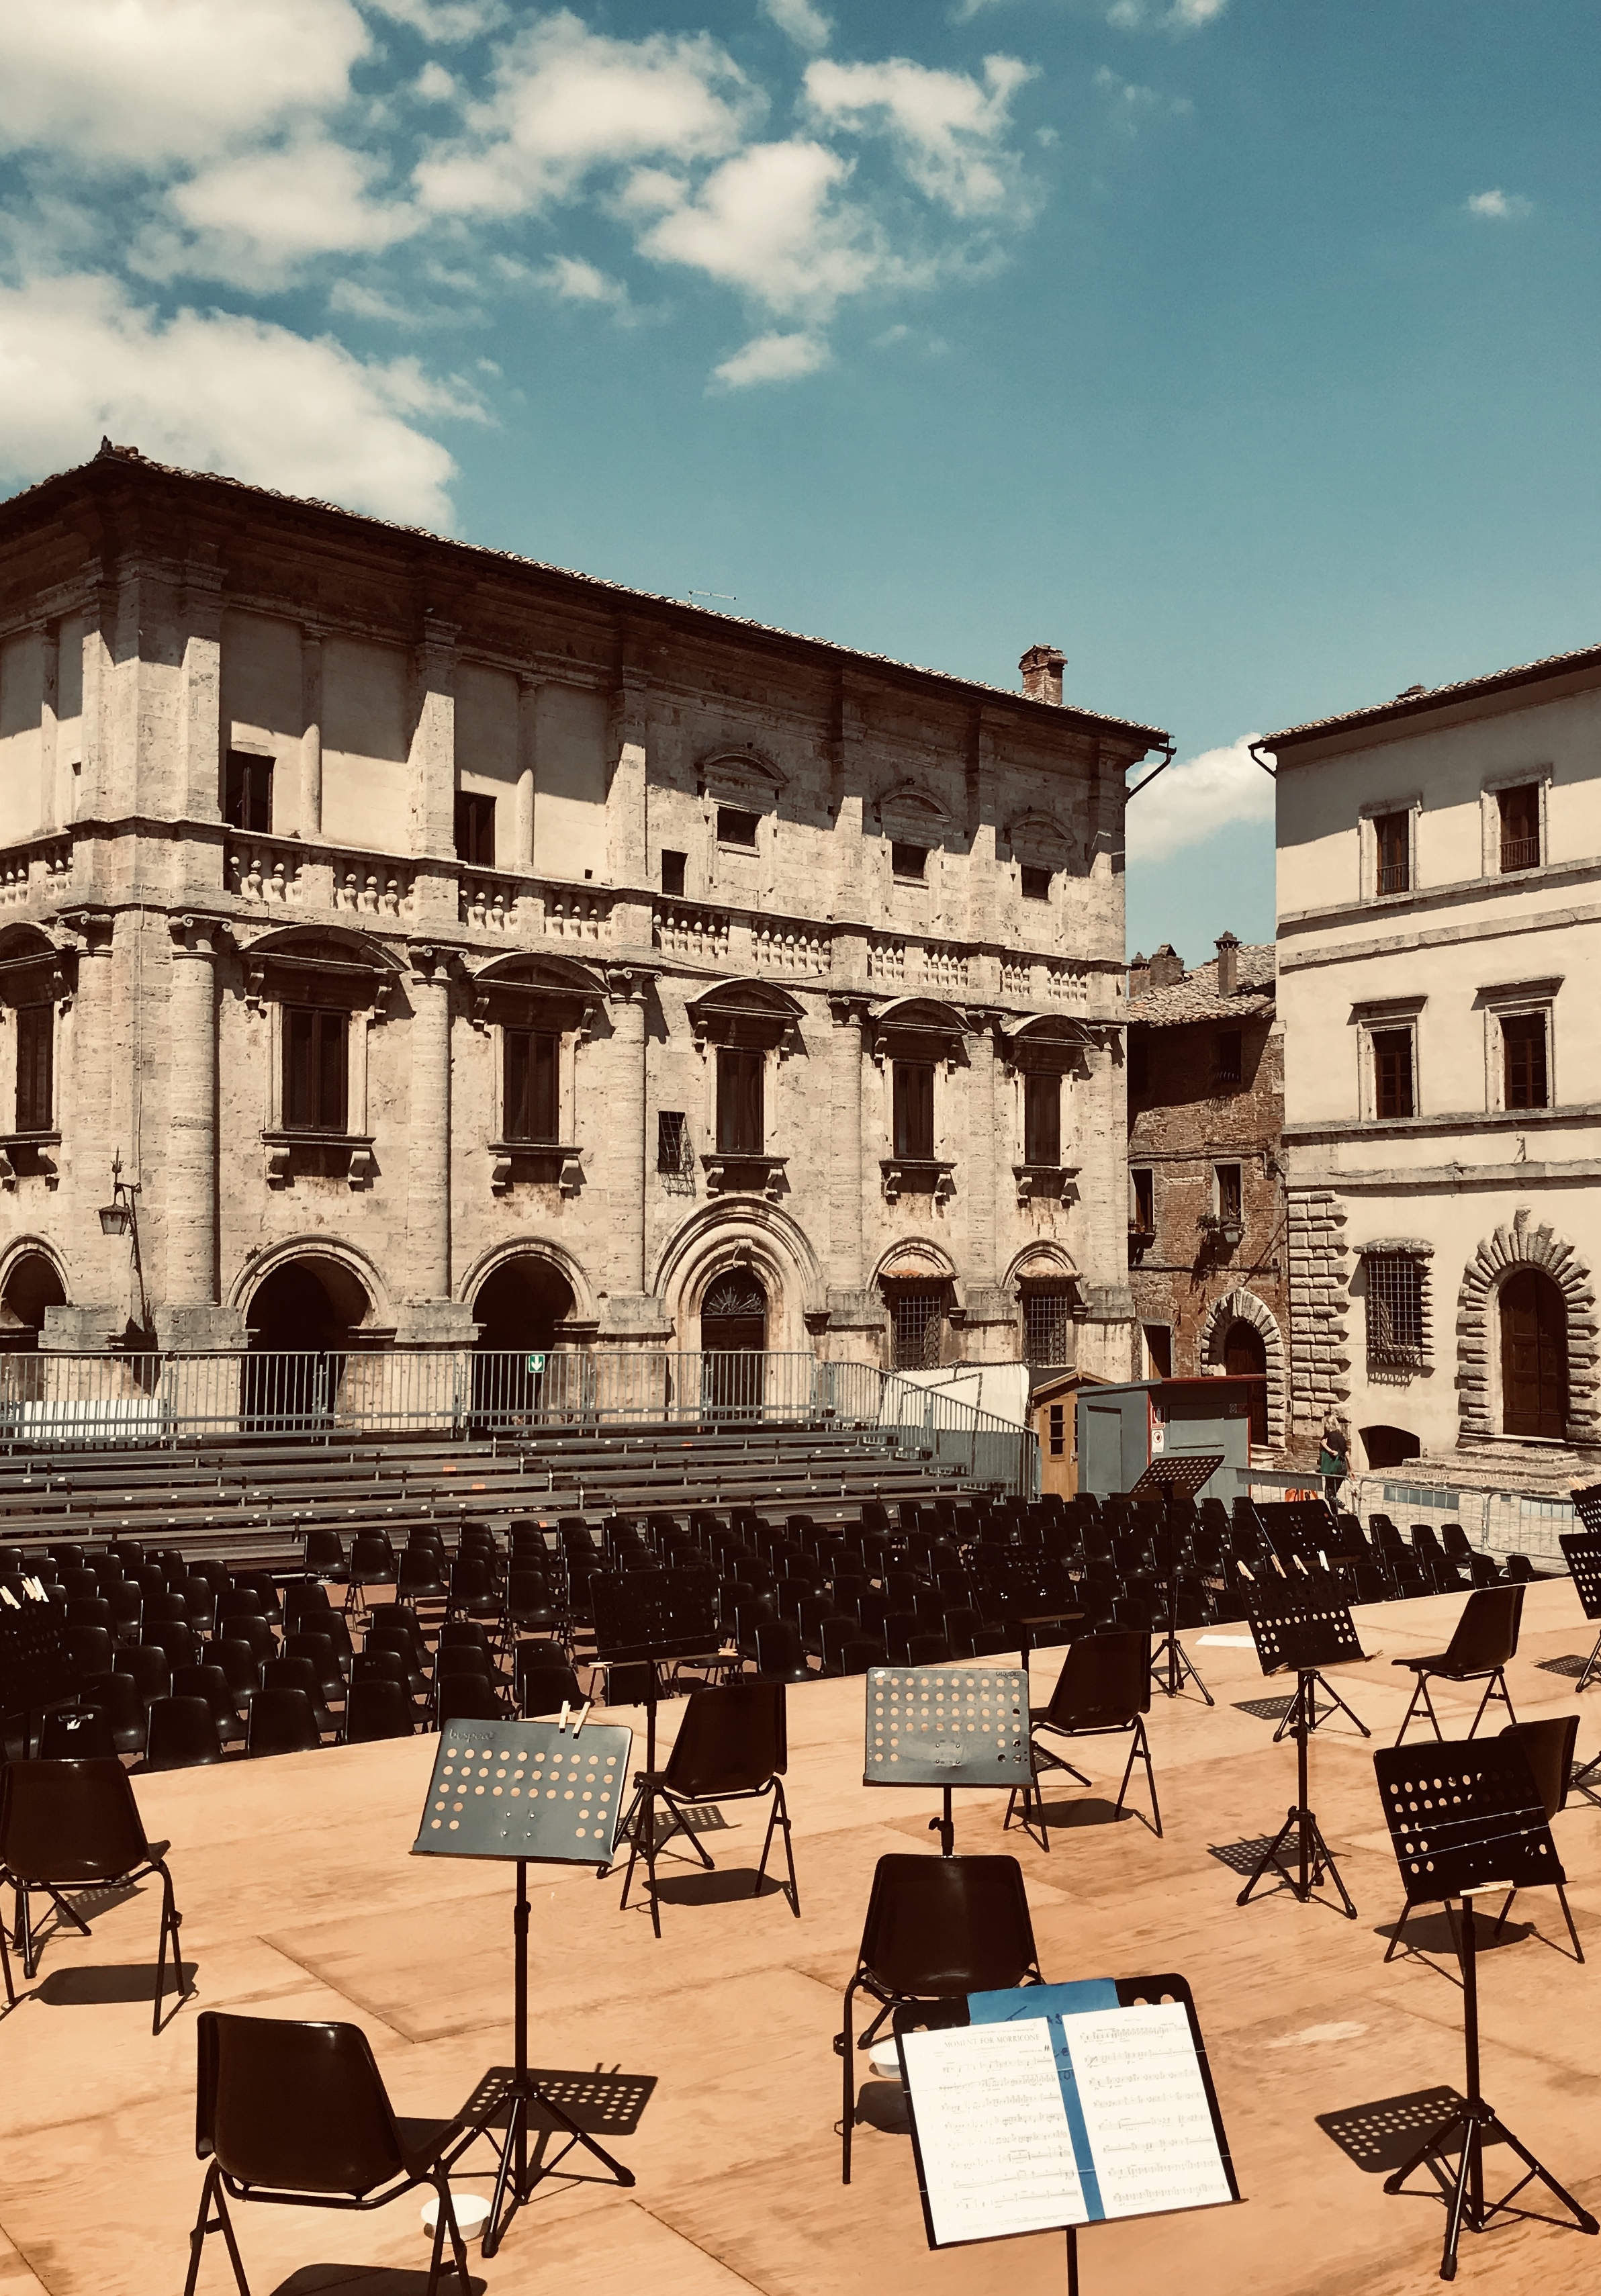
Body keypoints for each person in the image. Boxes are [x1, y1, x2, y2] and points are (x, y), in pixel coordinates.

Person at [1317, 1418, 1349, 1505]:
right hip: (1342, 1469)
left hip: (1332, 1469)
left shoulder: (1331, 1436)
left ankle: (1345, 1508)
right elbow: (1347, 1453)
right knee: (1332, 1495)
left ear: (1328, 1425)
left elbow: (1334, 1453)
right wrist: (1351, 1469)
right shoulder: (1341, 1436)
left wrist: (1324, 1445)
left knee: (1329, 1496)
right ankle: (1335, 1516)